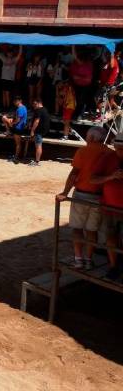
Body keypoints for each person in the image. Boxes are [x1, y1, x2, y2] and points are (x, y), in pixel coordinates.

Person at [57, 127, 110, 269]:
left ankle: (78, 259)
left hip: (81, 194)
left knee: (77, 228)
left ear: (91, 138)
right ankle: (88, 259)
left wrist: (65, 192)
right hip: (99, 197)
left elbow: (74, 174)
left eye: (87, 136)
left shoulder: (83, 151)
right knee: (92, 230)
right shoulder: (109, 153)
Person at [90, 132, 123, 280]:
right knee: (111, 237)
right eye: (119, 148)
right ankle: (114, 266)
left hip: (114, 206)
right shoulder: (108, 157)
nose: (120, 151)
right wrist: (111, 176)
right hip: (110, 206)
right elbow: (93, 179)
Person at [0, 45, 22, 110]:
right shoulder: (4, 58)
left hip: (10, 79)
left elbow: (20, 54)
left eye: (11, 53)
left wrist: (20, 45)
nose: (9, 54)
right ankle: (4, 107)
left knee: (7, 93)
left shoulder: (14, 59)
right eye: (8, 53)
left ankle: (8, 107)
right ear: (7, 53)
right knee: (3, 93)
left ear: (12, 53)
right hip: (3, 78)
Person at [2, 96, 28, 163]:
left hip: (18, 128)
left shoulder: (20, 109)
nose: (14, 102)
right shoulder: (24, 107)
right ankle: (16, 156)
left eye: (15, 101)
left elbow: (17, 120)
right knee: (18, 143)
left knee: (18, 144)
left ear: (19, 101)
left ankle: (16, 157)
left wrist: (12, 123)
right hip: (20, 127)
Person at [28, 99, 50, 166]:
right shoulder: (45, 109)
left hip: (38, 131)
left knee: (38, 146)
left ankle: (37, 161)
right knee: (38, 145)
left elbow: (37, 121)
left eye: (35, 104)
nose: (33, 106)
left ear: (39, 103)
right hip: (42, 130)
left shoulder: (38, 110)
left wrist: (32, 131)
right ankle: (37, 160)